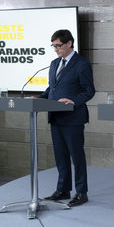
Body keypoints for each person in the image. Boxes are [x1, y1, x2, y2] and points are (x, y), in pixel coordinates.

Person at [40, 29, 95, 207]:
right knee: (60, 156)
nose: (55, 49)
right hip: (55, 117)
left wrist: (73, 101)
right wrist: (38, 99)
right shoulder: (54, 63)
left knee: (77, 157)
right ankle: (63, 190)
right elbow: (52, 90)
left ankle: (81, 192)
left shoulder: (82, 64)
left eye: (58, 45)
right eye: (53, 46)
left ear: (69, 43)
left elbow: (89, 90)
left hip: (73, 117)